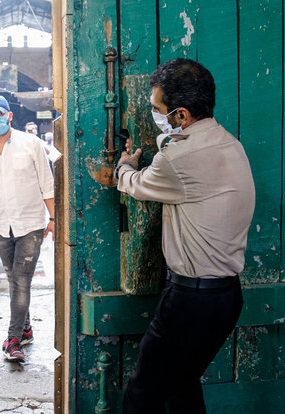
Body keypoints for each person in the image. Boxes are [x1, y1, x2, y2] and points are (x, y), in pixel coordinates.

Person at [116, 59, 255, 414]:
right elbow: (175, 147)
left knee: (142, 392)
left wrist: (124, 165)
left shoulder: (176, 160)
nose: (154, 116)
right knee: (182, 386)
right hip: (226, 298)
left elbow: (137, 184)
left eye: (158, 110)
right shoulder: (229, 143)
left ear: (181, 115)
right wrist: (166, 140)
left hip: (191, 301)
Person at [0, 95, 54, 363]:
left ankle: (13, 339)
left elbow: (47, 184)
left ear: (9, 116)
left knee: (21, 282)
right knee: (15, 282)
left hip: (31, 225)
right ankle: (26, 328)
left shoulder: (31, 143)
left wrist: (54, 219)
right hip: (2, 227)